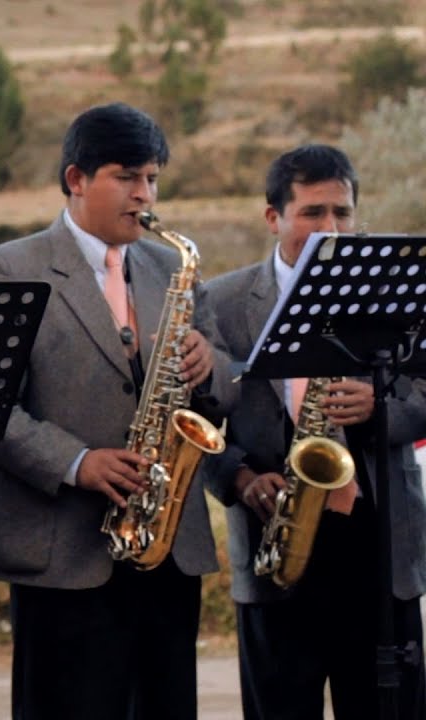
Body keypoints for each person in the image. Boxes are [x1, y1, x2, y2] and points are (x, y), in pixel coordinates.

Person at [0, 102, 236, 720]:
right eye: (127, 177)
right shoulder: (7, 268)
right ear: (76, 179)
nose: (144, 195)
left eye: (153, 179)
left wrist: (209, 365)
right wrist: (77, 462)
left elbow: (228, 389)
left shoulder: (174, 267)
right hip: (63, 554)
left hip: (166, 549)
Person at [202, 143, 426, 719]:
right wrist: (241, 475)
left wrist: (381, 407)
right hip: (274, 544)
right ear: (273, 217)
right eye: (312, 213)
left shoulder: (392, 288)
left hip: (377, 550)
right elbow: (196, 421)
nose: (331, 228)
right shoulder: (221, 302)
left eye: (342, 213)